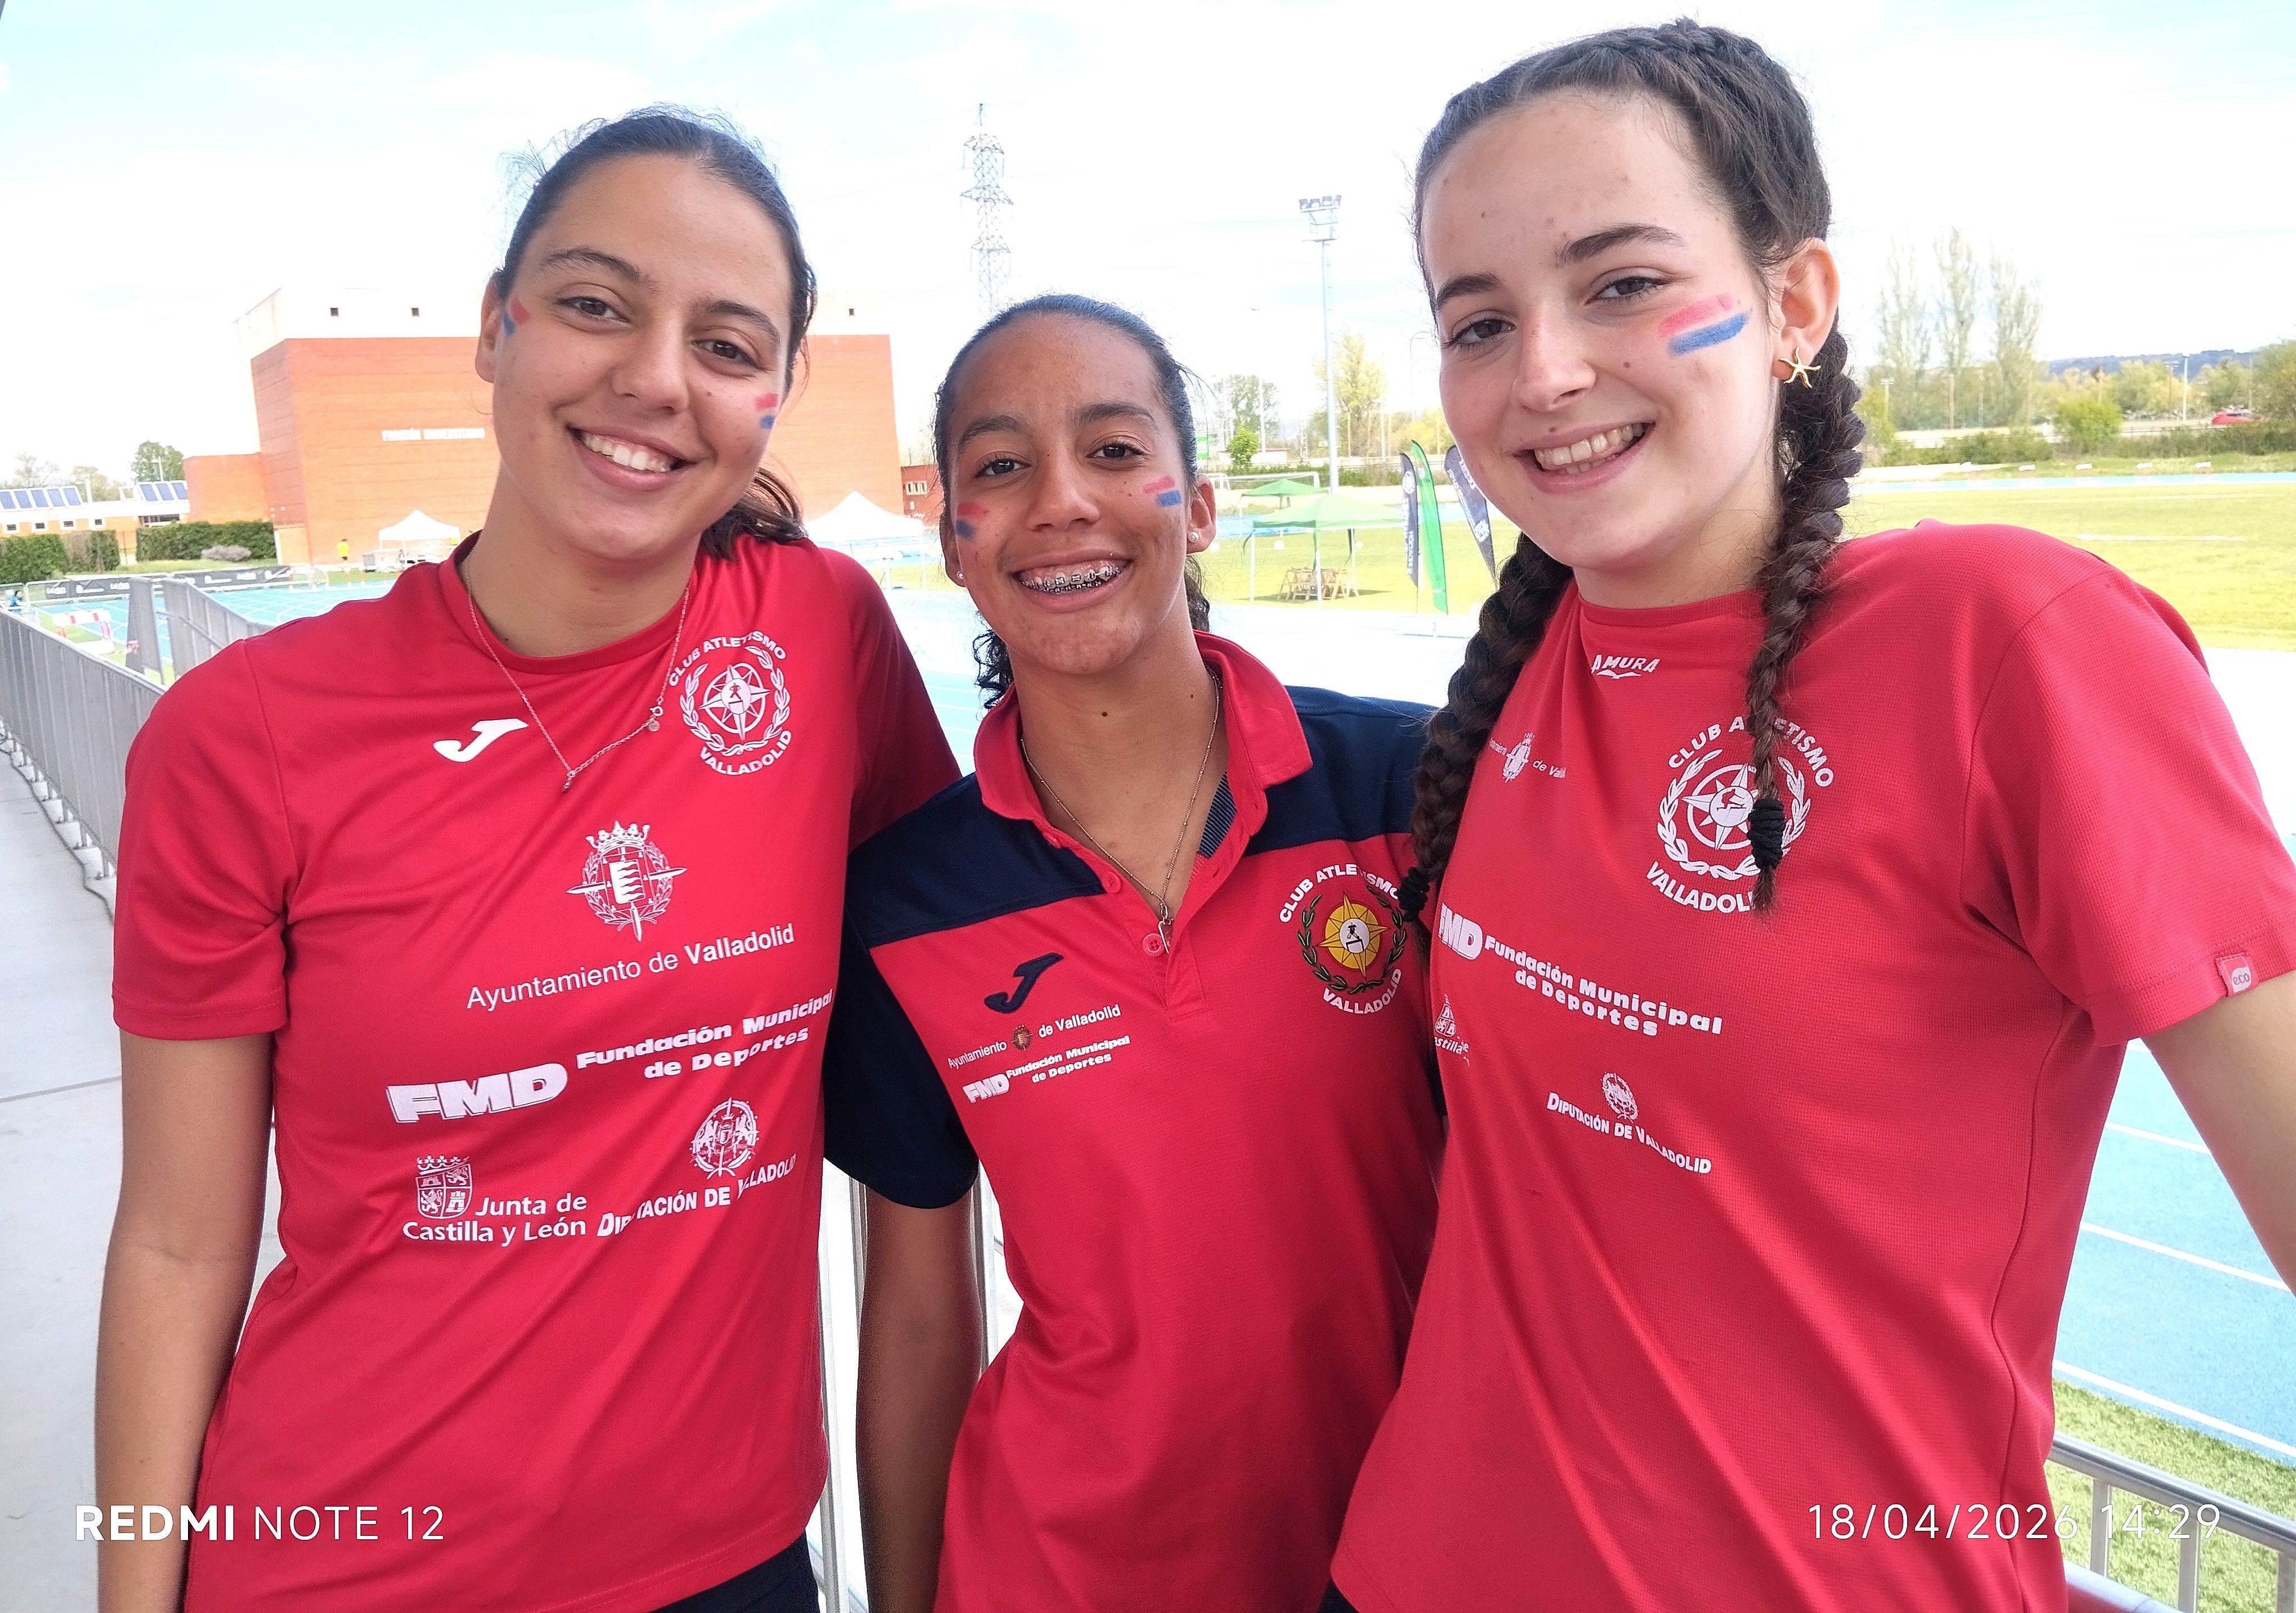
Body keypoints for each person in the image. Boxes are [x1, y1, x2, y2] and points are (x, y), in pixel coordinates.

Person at [1328, 23, 2296, 1612]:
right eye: (1480, 321)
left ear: (1794, 304)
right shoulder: (1512, 682)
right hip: (1413, 1571)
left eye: (1622, 283)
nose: (1544, 370)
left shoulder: (2006, 645)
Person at [97, 108, 956, 1613]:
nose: (656, 378)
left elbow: (968, 981)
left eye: (726, 344)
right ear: (496, 328)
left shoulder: (824, 639)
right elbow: (177, 1244)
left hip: (733, 1560)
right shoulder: (245, 735)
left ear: (772, 399)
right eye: (596, 304)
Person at [821, 294, 1444, 1613]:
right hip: (1055, 1570)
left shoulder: (1407, 790)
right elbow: (921, 1317)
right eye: (1002, 466)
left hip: (1413, 1554)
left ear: (1198, 506)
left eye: (1113, 450)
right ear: (955, 540)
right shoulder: (907, 904)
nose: (1061, 500)